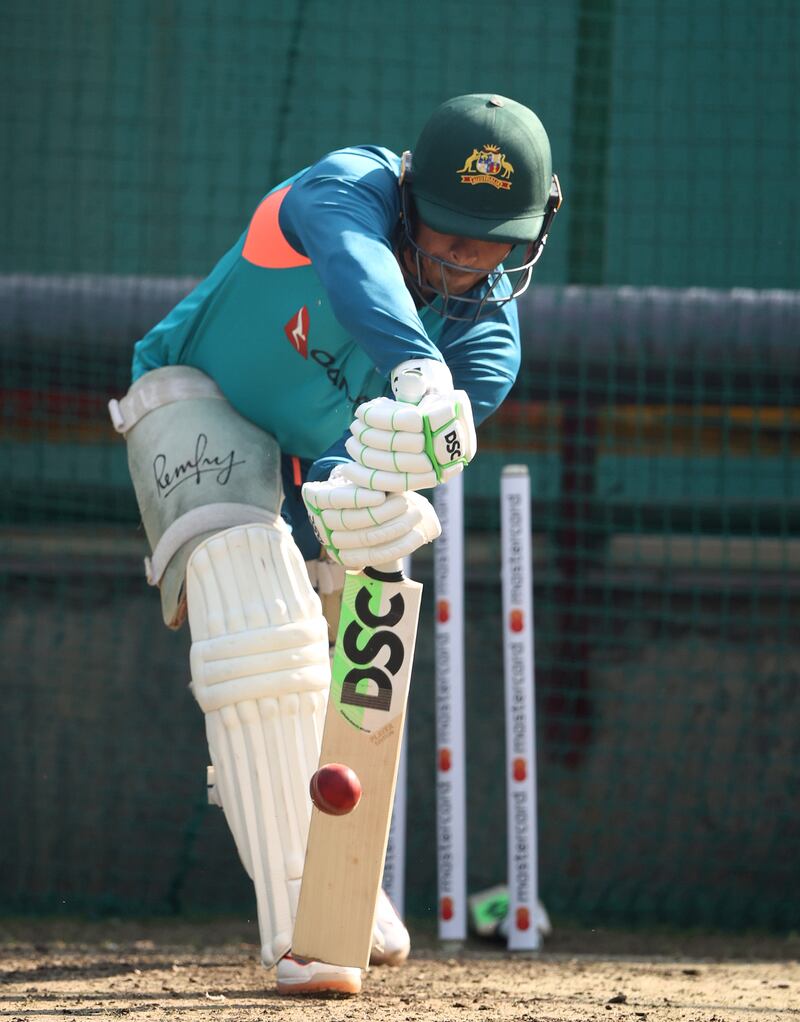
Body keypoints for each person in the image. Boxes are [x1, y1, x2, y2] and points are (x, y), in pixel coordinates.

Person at [108, 93, 561, 996]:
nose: (469, 258)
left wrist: (382, 504)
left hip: (312, 462)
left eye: (494, 237)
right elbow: (356, 267)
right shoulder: (342, 190)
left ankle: (340, 896)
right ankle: (304, 929)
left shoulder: (489, 344)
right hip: (193, 396)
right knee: (255, 598)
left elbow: (394, 459)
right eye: (450, 228)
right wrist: (416, 367)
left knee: (328, 635)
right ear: (407, 196)